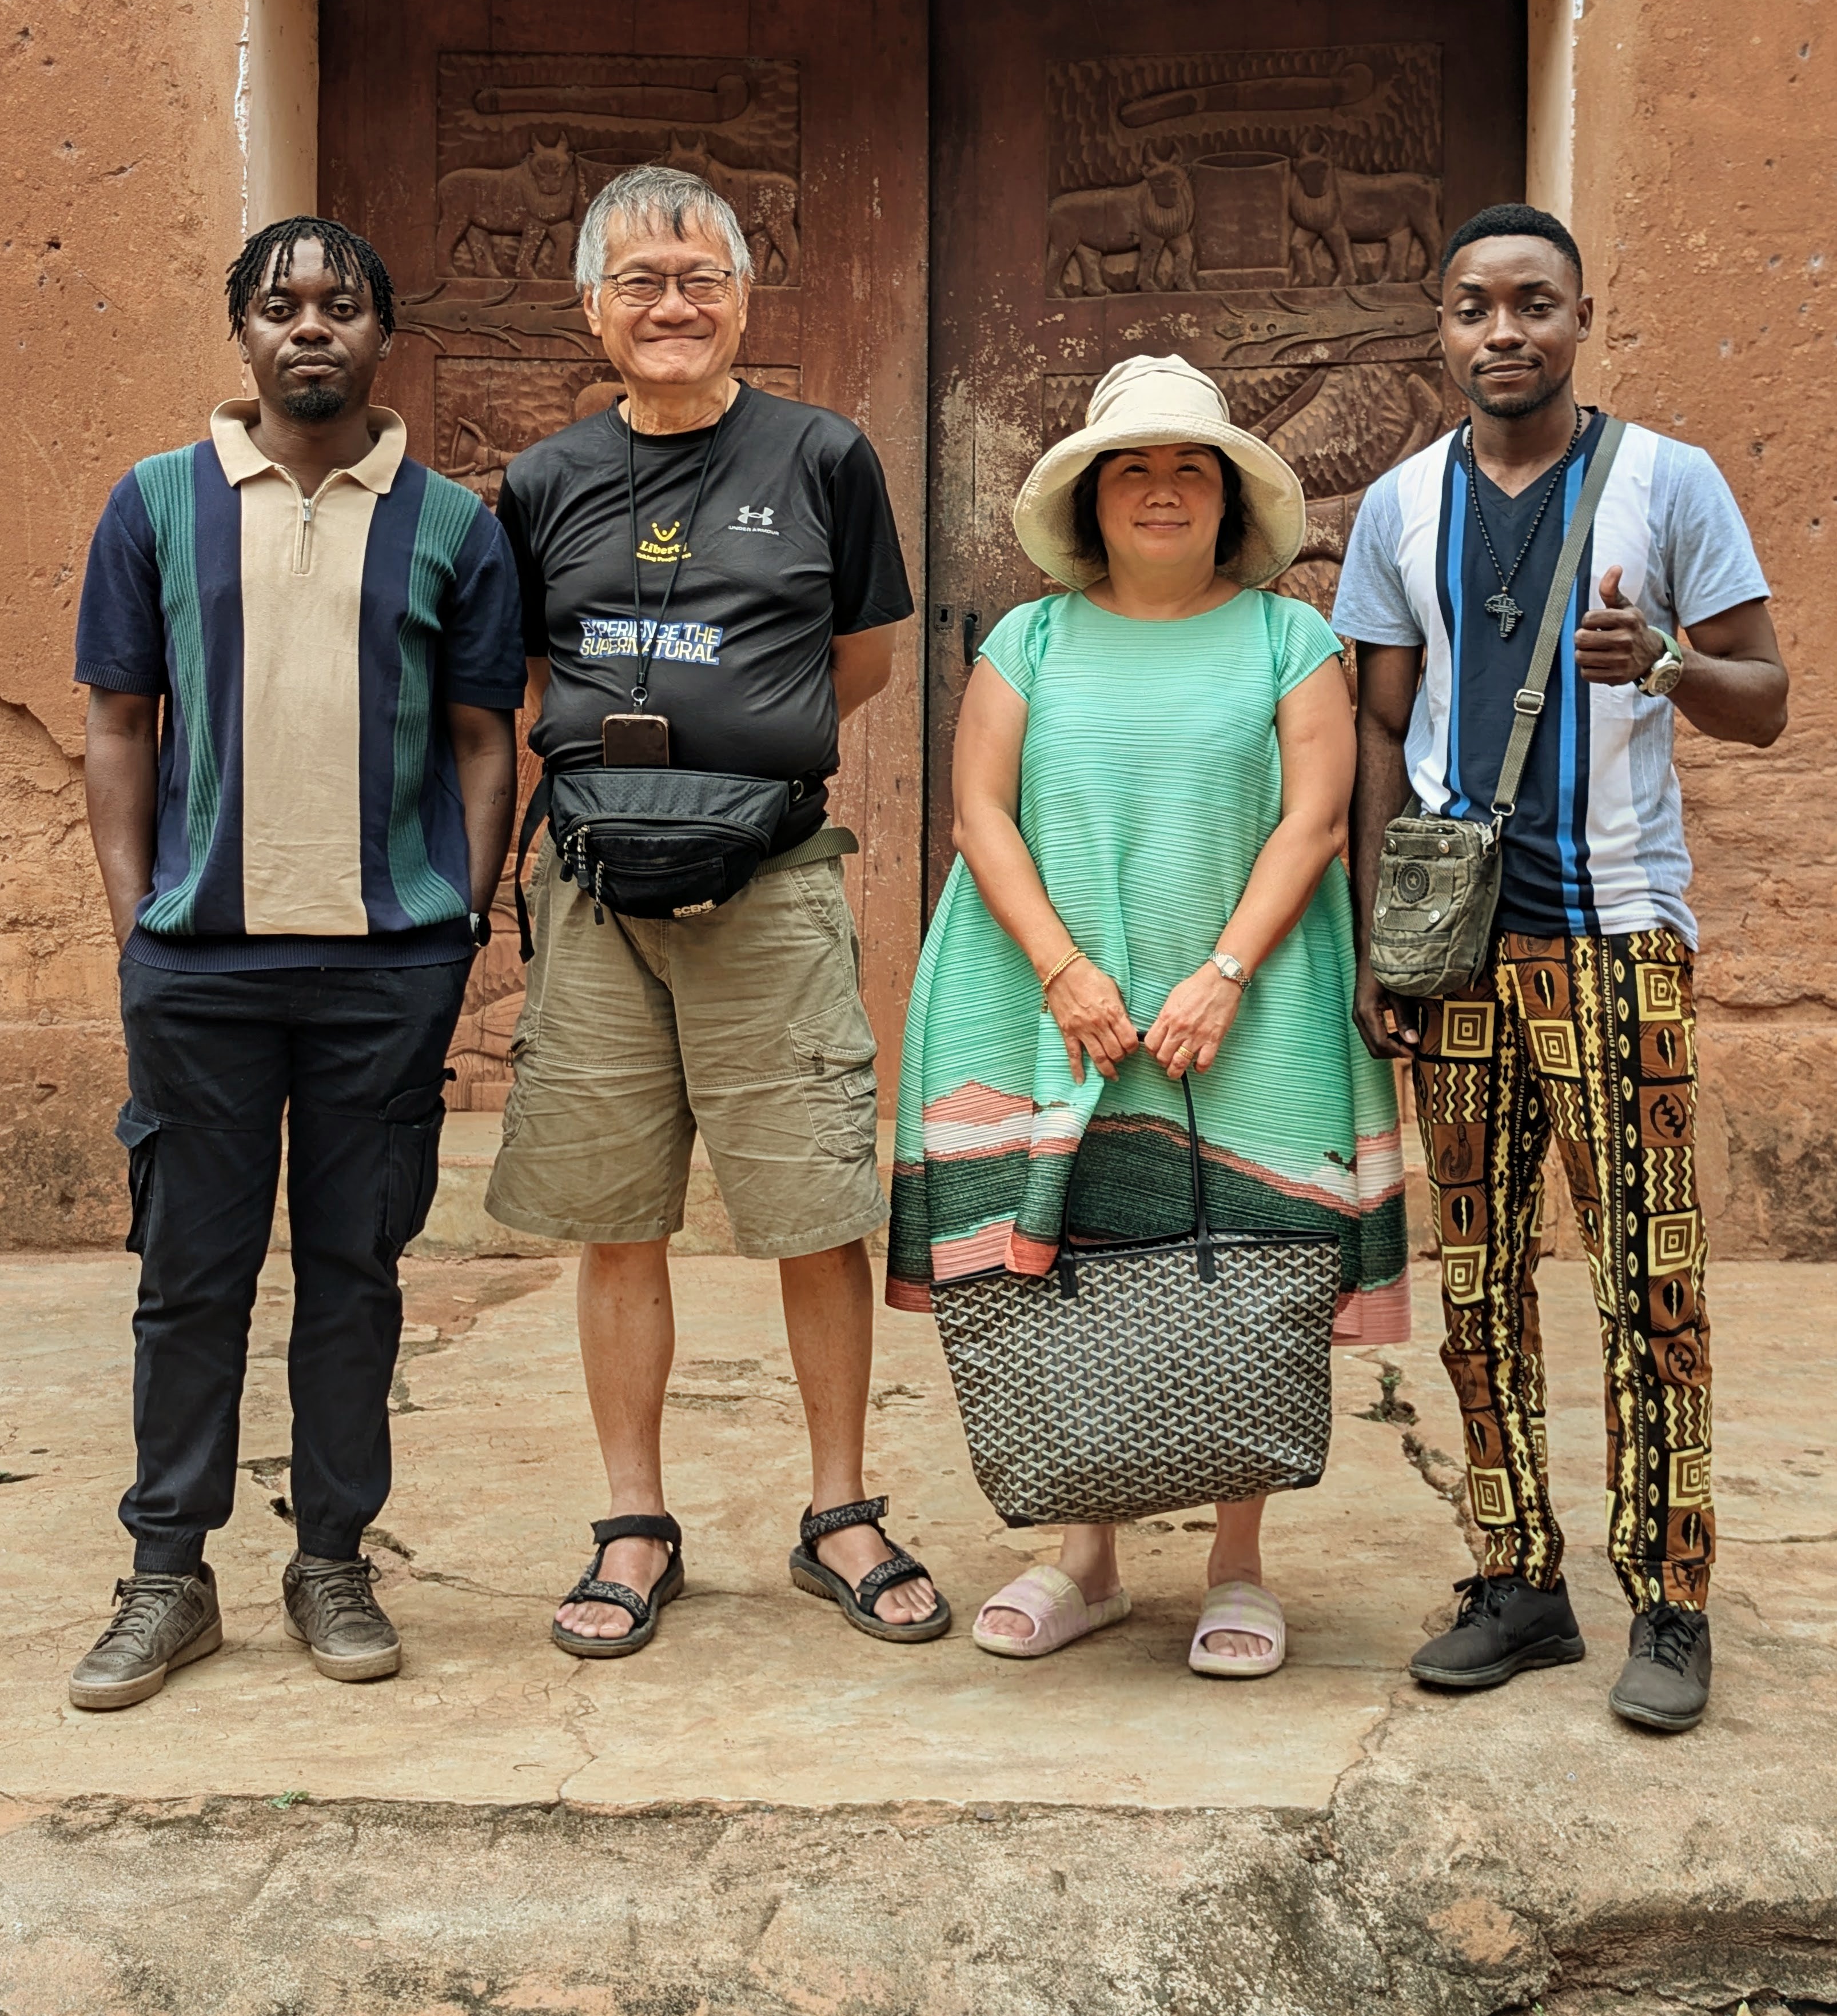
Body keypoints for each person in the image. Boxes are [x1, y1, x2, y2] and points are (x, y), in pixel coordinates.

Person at [1334, 202, 1787, 1735]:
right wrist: (1370, 939)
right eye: (1472, 307)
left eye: (1533, 303)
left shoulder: (1666, 482)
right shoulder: (1400, 504)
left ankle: (1666, 1600)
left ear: (1580, 317)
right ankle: (1517, 1577)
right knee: (1475, 1280)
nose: (1502, 331)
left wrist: (1654, 664)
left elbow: (1764, 699)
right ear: (1440, 331)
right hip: (1458, 952)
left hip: (1615, 944)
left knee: (1649, 1282)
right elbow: (1378, 731)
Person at [485, 164, 947, 1656]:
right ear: (591, 308)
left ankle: (839, 1510)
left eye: (700, 278)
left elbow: (860, 659)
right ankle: (633, 1523)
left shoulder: (820, 456)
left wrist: (738, 757)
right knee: (614, 1220)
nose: (672, 304)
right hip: (599, 897)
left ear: (743, 299)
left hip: (770, 887)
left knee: (815, 1205)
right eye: (640, 280)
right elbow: (524, 682)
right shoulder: (544, 481)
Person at [889, 354, 1408, 1676]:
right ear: (1091, 501)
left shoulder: (1291, 639)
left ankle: (1237, 1566)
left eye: (1190, 469)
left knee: (1246, 1249)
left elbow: (1315, 818)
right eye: (1135, 469)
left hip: (1251, 998)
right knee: (1067, 1260)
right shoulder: (1032, 639)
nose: (1163, 491)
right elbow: (980, 814)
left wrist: (1222, 972)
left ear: (1228, 500)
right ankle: (1087, 1560)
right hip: (1044, 993)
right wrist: (1064, 967)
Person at [67, 218, 525, 1711]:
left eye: (340, 305)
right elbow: (120, 724)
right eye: (282, 307)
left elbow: (478, 741)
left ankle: (331, 1558)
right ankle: (165, 1577)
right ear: (244, 337)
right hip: (199, 971)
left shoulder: (453, 527)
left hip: (379, 973)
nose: (309, 328)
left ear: (384, 335)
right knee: (189, 1278)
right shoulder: (154, 506)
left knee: (354, 1275)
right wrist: (143, 929)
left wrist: (452, 925)